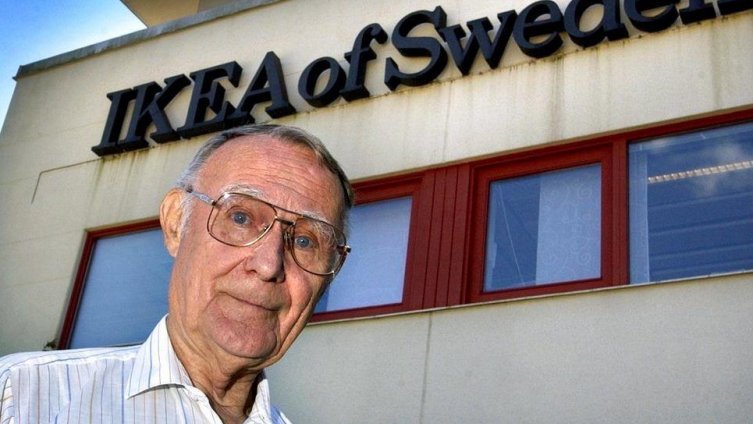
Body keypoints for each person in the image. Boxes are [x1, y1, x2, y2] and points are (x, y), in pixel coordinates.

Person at [0, 124, 354, 423]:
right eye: (241, 218)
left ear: (329, 277)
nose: (269, 265)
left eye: (305, 241)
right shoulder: (21, 397)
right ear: (175, 224)